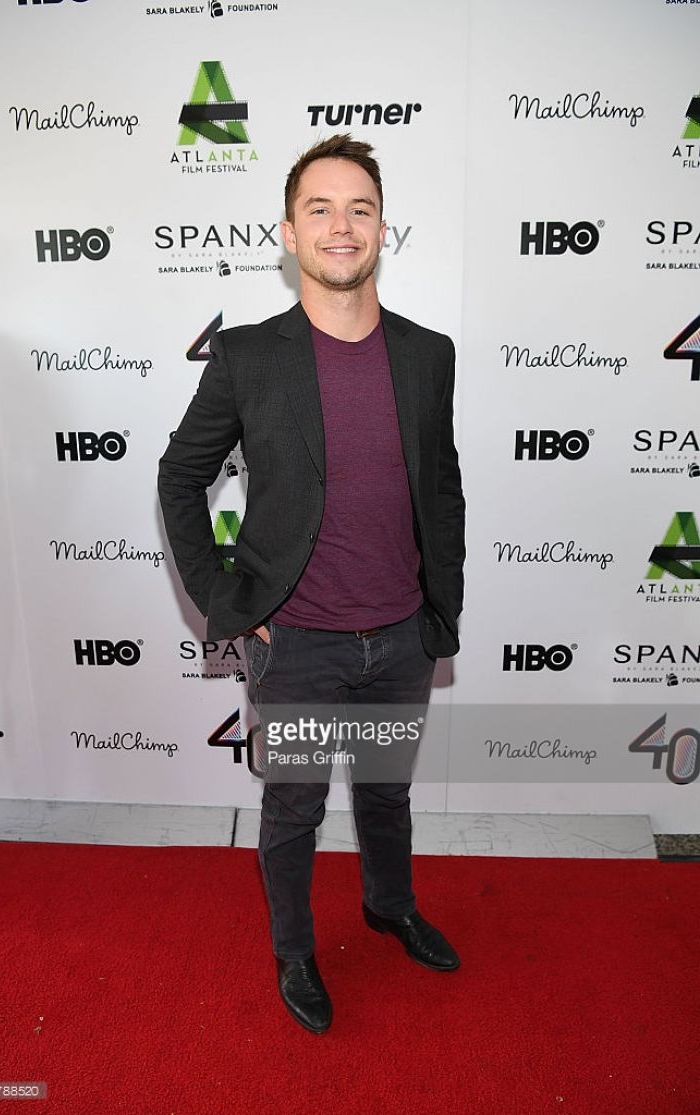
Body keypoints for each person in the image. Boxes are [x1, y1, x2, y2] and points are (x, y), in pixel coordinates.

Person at [158, 134, 465, 1034]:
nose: (342, 225)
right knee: (294, 806)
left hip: (401, 636)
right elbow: (181, 477)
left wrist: (440, 605)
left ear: (382, 228)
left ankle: (388, 904)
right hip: (294, 642)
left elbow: (441, 484)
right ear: (289, 234)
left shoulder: (428, 354)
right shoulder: (248, 355)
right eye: (320, 209)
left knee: (386, 793)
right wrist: (227, 599)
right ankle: (294, 948)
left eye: (359, 208)